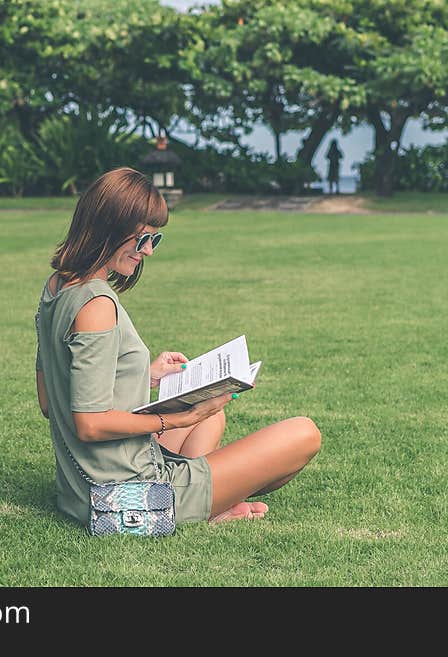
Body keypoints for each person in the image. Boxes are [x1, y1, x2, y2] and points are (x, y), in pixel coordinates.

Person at [34, 167, 321, 528]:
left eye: (156, 240)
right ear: (108, 228)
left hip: (78, 490)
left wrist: (144, 374)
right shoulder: (97, 305)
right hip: (125, 498)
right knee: (303, 434)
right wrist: (176, 418)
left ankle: (205, 501)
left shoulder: (56, 287)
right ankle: (200, 506)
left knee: (212, 417)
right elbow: (89, 424)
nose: (149, 252)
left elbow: (51, 399)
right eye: (142, 240)